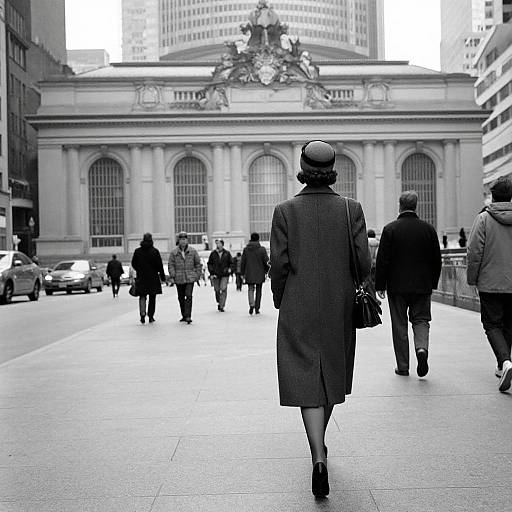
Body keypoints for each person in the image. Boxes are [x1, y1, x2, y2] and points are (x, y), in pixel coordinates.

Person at [270, 140, 371, 498]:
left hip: (298, 302)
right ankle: (321, 447)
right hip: (338, 302)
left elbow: (279, 264)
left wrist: (280, 298)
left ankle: (317, 456)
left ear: (302, 167)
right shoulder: (350, 209)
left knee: (304, 376)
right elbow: (363, 263)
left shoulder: (284, 211)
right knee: (331, 370)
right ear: (331, 170)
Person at [375, 191, 442, 378]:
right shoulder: (428, 229)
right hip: (422, 285)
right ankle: (421, 349)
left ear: (400, 206)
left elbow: (383, 260)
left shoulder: (390, 229)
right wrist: (433, 282)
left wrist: (379, 284)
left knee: (399, 324)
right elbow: (437, 259)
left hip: (397, 286)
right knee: (421, 320)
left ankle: (403, 366)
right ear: (416, 206)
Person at [467, 177, 512, 392]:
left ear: (492, 196)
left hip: (490, 282)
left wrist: (471, 279)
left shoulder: (484, 219)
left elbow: (474, 252)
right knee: (509, 324)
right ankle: (502, 363)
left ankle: (505, 362)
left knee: (492, 324)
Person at [168, 232, 202, 324]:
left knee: (189, 295)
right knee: (181, 297)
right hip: (179, 278)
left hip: (190, 277)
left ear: (187, 240)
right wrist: (173, 275)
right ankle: (184, 314)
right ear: (178, 241)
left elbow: (198, 264)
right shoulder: (174, 252)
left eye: (184, 239)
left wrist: (197, 275)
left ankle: (188, 316)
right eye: (181, 239)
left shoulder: (193, 251)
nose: (183, 241)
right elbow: (171, 264)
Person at [131, 233, 165, 324]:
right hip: (153, 277)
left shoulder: (137, 251)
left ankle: (142, 313)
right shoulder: (155, 251)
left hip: (141, 277)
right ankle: (150, 316)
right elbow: (159, 265)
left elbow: (133, 263)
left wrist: (139, 269)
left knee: (142, 296)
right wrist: (162, 276)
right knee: (152, 297)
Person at [241, 232, 269, 315]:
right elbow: (266, 261)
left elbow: (243, 262)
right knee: (259, 291)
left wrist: (242, 273)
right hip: (260, 273)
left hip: (249, 273)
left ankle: (251, 305)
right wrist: (267, 271)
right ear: (258, 239)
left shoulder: (246, 249)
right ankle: (257, 307)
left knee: (250, 289)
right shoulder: (262, 249)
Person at [207, 239, 232, 312]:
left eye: (219, 243)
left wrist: (229, 269)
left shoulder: (227, 253)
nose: (218, 245)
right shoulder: (213, 254)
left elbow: (231, 263)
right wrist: (211, 272)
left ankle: (222, 305)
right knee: (217, 290)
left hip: (225, 274)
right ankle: (219, 301)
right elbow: (209, 263)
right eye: (217, 244)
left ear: (222, 244)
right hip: (215, 274)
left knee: (223, 289)